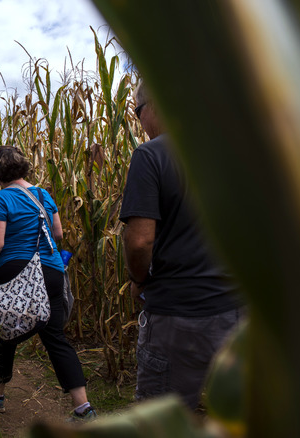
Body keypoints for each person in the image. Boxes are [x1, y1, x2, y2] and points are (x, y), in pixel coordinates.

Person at [120, 81, 244, 410]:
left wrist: (138, 280)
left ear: (155, 107)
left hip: (178, 315)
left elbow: (140, 240)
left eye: (138, 113)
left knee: (161, 418)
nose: (139, 123)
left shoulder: (151, 154)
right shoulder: (233, 153)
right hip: (240, 311)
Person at [0, 145, 96, 420]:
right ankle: (83, 409)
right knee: (55, 338)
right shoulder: (43, 195)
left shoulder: (0, 199)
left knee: (4, 334)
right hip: (51, 270)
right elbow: (58, 233)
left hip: (14, 269)